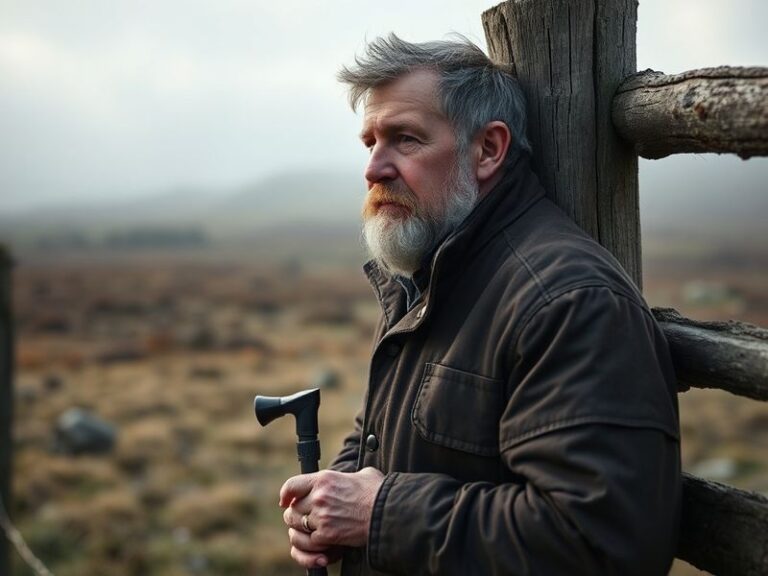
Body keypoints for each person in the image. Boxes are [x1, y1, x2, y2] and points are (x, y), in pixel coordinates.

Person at [279, 34, 681, 576]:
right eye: (370, 142)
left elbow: (599, 542)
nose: (374, 169)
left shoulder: (569, 302)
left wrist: (377, 514)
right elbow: (386, 432)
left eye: (405, 139)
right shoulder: (432, 272)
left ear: (488, 149)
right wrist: (333, 500)